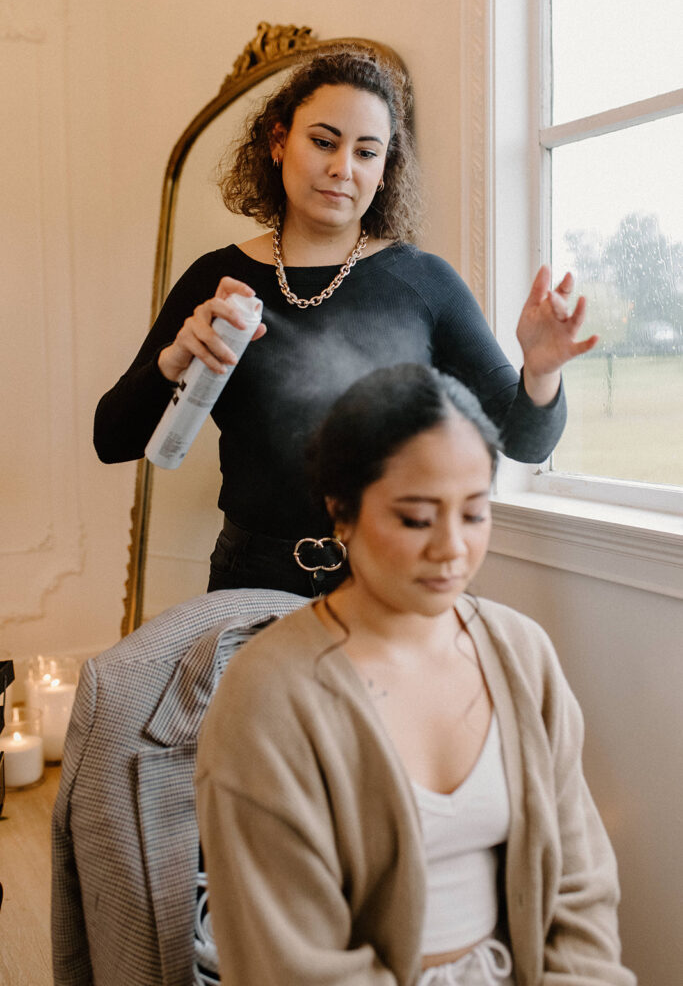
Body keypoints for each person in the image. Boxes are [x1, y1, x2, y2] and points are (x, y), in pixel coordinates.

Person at [94, 49, 597, 598]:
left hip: (387, 582)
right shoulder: (216, 280)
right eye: (324, 142)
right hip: (249, 585)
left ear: (384, 172)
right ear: (278, 141)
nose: (343, 169)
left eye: (366, 152)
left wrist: (542, 369)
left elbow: (522, 440)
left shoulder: (424, 282)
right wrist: (173, 363)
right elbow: (112, 438)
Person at [195, 363, 635, 986]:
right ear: (340, 511)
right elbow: (292, 962)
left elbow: (579, 884)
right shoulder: (269, 696)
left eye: (475, 513)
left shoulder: (520, 653)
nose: (451, 548)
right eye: (416, 519)